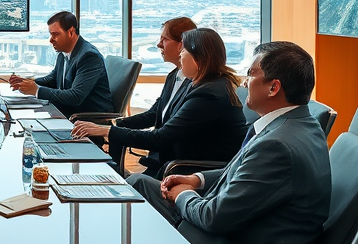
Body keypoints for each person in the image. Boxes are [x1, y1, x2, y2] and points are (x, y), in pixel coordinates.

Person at [128, 41, 331, 244]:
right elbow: (241, 171)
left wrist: (184, 195)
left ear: (274, 88)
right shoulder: (292, 125)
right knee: (139, 184)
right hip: (239, 227)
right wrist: (196, 180)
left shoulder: (279, 145)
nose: (245, 82)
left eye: (251, 74)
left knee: (141, 224)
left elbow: (214, 218)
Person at [73, 25, 247, 176]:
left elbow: (160, 138)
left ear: (199, 58)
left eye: (184, 50)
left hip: (185, 172)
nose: (180, 55)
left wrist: (105, 130)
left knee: (125, 182)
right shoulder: (201, 84)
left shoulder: (208, 96)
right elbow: (156, 117)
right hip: (173, 164)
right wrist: (110, 127)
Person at [9, 11, 113, 118]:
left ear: (71, 32)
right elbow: (53, 79)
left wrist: (36, 90)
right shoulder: (63, 52)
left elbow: (75, 97)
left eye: (56, 34)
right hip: (65, 111)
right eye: (51, 34)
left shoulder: (89, 56)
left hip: (87, 118)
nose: (51, 40)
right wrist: (28, 82)